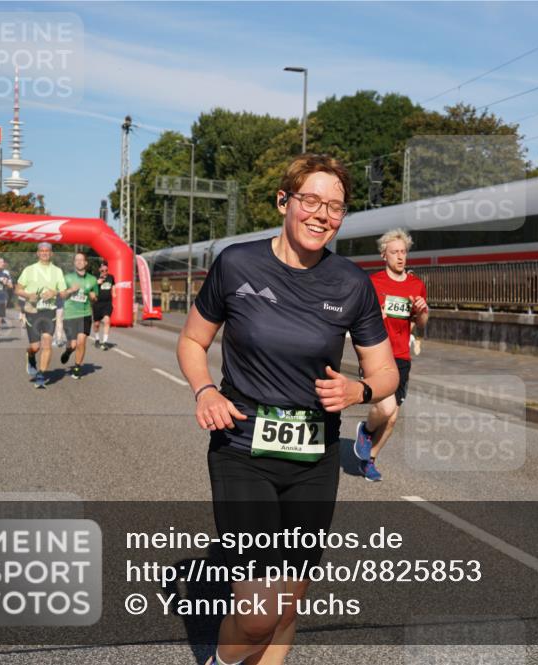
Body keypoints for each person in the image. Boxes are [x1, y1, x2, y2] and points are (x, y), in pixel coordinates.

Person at [177, 154, 397, 665]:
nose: (322, 214)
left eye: (335, 207)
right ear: (284, 201)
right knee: (257, 611)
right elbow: (192, 340)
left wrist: (358, 390)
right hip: (241, 448)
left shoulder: (352, 283)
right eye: (311, 201)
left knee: (288, 603)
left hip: (314, 461)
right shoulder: (237, 264)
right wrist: (205, 391)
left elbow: (386, 373)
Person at [353, 229, 429, 481]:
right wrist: (377, 315)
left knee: (393, 417)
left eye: (403, 252)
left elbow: (422, 324)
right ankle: (365, 429)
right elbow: (359, 317)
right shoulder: (373, 283)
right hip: (377, 353)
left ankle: (370, 459)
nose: (400, 257)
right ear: (383, 255)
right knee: (386, 408)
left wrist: (421, 311)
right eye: (394, 252)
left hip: (402, 356)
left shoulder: (416, 284)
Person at [15, 242, 72, 389]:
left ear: (51, 253)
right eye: (42, 250)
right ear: (38, 253)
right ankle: (31, 355)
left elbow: (64, 293)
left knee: (47, 343)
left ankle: (41, 375)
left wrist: (55, 293)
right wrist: (29, 295)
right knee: (35, 347)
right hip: (32, 311)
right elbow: (18, 289)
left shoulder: (57, 271)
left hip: (49, 311)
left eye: (47, 251)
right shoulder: (29, 270)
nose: (45, 253)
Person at [60, 253, 99, 379]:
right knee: (73, 344)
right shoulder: (67, 278)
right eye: (76, 260)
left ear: (86, 263)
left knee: (81, 342)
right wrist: (71, 290)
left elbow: (95, 296)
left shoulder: (92, 279)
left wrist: (94, 297)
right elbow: (61, 295)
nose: (79, 262)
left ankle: (77, 366)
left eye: (81, 260)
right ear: (74, 263)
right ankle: (68, 351)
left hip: (85, 314)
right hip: (70, 314)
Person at [92, 261, 114, 349]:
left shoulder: (111, 277)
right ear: (99, 270)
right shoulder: (94, 278)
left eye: (106, 270)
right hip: (97, 304)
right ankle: (97, 339)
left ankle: (104, 342)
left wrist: (115, 293)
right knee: (96, 324)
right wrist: (96, 283)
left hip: (107, 303)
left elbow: (113, 285)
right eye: (102, 270)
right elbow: (89, 289)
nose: (104, 272)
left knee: (107, 320)